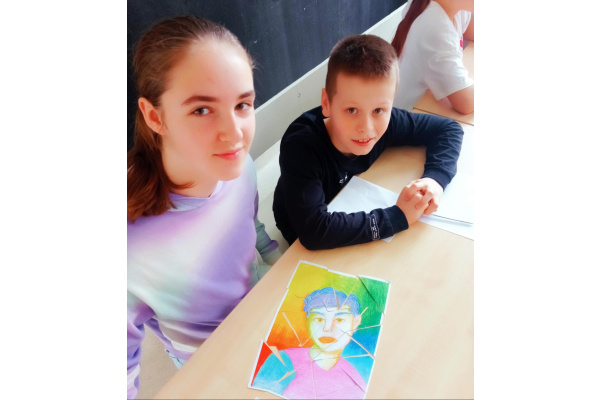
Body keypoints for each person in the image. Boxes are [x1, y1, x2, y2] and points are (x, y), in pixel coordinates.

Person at [127, 16, 281, 399]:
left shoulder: (239, 166)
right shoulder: (128, 243)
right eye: (202, 110)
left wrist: (276, 264)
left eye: (242, 104)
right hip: (212, 366)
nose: (234, 134)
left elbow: (251, 228)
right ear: (154, 116)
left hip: (266, 312)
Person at [272, 34, 463, 250]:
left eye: (379, 110)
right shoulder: (301, 147)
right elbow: (313, 232)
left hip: (354, 203)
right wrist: (398, 216)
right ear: (326, 103)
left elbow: (449, 129)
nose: (367, 127)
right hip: (300, 232)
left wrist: (435, 180)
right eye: (351, 110)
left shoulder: (387, 122)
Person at [252, 288, 367, 399]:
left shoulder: (356, 381)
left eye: (339, 320)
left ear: (356, 322)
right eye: (319, 319)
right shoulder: (283, 361)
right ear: (308, 321)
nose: (327, 328)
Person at [391, 0, 474, 113]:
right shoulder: (435, 27)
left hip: (425, 107)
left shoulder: (452, 7)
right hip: (410, 115)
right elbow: (466, 103)